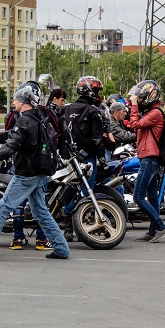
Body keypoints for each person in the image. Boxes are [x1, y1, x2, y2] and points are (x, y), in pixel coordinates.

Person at [0, 84, 69, 260]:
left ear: (23, 102)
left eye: (16, 99)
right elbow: (12, 135)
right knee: (40, 212)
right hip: (39, 172)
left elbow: (11, 145)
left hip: (26, 174)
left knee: (2, 207)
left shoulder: (24, 120)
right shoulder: (38, 117)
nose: (14, 102)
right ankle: (62, 249)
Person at [58, 76, 106, 241]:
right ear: (90, 91)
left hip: (66, 159)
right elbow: (98, 139)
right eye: (97, 90)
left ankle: (68, 227)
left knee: (68, 192)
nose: (98, 93)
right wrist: (101, 158)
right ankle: (85, 226)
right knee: (86, 193)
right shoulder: (94, 111)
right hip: (87, 159)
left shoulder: (65, 109)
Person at [126, 80, 165, 243]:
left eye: (143, 98)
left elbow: (134, 124)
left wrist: (134, 105)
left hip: (150, 159)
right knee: (152, 197)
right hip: (148, 157)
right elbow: (136, 127)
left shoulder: (155, 113)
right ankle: (152, 231)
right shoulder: (151, 112)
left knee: (138, 197)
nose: (140, 100)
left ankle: (160, 225)